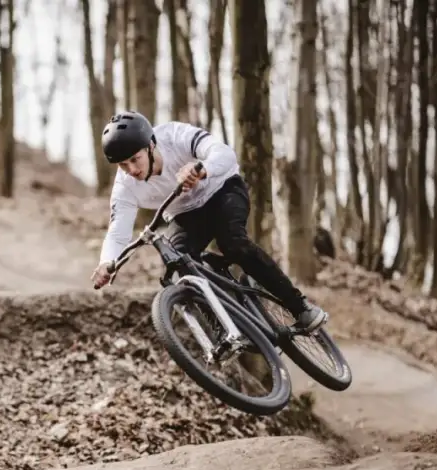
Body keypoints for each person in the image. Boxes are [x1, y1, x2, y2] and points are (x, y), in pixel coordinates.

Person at [90, 110, 327, 332]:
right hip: (185, 213)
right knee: (177, 266)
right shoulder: (124, 187)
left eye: (135, 159)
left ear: (151, 145)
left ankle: (300, 308)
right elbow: (118, 230)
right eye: (123, 164)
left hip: (222, 189)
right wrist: (107, 262)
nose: (131, 169)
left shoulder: (174, 136)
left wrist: (202, 168)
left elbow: (224, 153)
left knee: (233, 243)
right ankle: (223, 330)